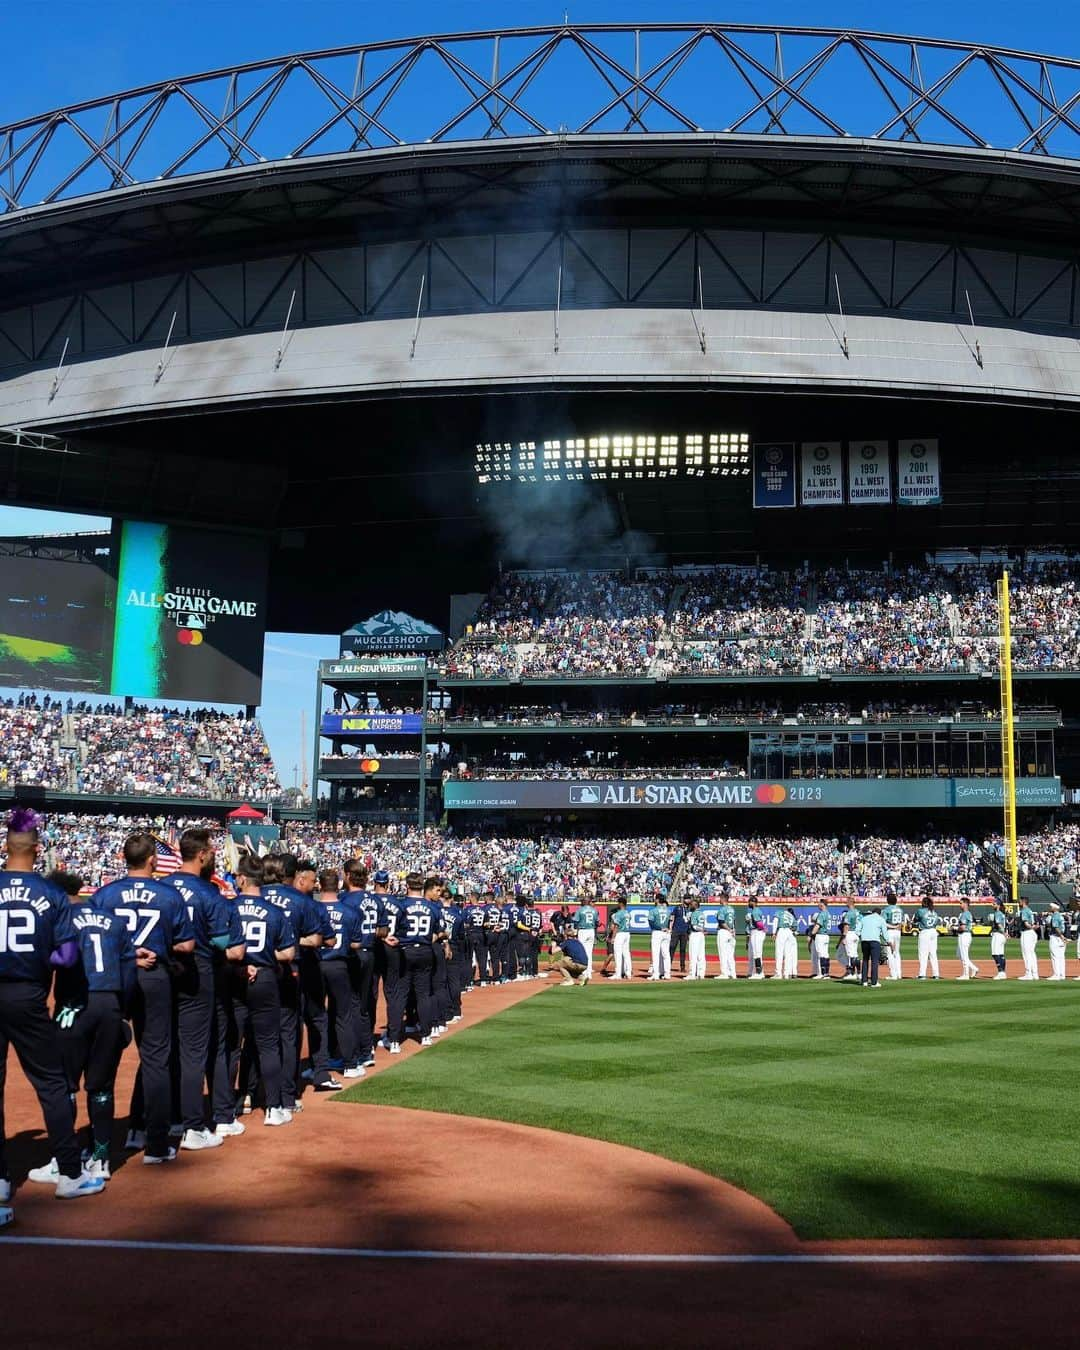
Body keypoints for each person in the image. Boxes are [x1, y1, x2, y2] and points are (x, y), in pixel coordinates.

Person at [0, 810, 105, 1227]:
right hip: (28, 995)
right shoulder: (52, 894)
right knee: (51, 1083)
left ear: (7, 847)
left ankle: (2, 1179)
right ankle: (69, 1173)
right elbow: (66, 956)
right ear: (38, 849)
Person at [95, 831, 195, 1163]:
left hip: (114, 977)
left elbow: (91, 936)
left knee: (103, 1060)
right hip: (155, 976)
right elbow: (187, 945)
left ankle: (103, 1146)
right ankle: (154, 1143)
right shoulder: (168, 895)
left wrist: (128, 954)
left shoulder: (105, 894)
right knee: (156, 1059)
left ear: (125, 857)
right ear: (153, 859)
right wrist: (159, 947)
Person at [32, 869, 135, 1182]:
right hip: (109, 1006)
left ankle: (64, 1159)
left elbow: (47, 964)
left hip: (72, 1007)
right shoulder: (115, 922)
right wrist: (123, 1013)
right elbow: (128, 973)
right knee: (101, 1084)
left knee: (64, 1084)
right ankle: (101, 1158)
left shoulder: (59, 922)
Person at [162, 827, 245, 1151]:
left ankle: (157, 1121)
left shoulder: (163, 888)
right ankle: (192, 1124)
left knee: (160, 1052)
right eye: (211, 850)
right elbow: (229, 947)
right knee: (195, 1052)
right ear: (200, 854)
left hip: (161, 975)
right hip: (198, 976)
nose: (214, 853)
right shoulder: (210, 894)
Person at [231, 853, 296, 1126]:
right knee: (269, 1044)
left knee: (231, 1047)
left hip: (234, 977)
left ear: (243, 878)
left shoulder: (228, 907)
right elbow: (289, 953)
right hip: (266, 977)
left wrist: (243, 964)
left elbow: (221, 948)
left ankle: (227, 1110)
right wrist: (266, 957)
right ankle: (274, 1107)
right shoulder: (274, 912)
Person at [262, 854, 330, 1110]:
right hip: (290, 970)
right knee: (289, 1034)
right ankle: (286, 1097)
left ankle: (246, 1095)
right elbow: (316, 940)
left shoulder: (255, 896)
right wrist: (291, 944)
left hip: (252, 970)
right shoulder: (302, 901)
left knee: (254, 1036)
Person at [317, 869, 365, 1079]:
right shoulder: (350, 911)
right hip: (339, 965)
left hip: (317, 964)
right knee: (344, 1015)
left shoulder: (313, 909)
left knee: (317, 1016)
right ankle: (350, 1063)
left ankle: (319, 1065)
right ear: (338, 885)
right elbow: (356, 943)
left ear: (319, 885)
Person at [386, 873, 439, 1050]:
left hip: (405, 950)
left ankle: (394, 1040)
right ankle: (425, 1035)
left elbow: (394, 929)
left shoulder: (401, 905)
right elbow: (435, 933)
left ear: (407, 886)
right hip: (424, 949)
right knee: (423, 994)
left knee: (400, 995)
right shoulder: (432, 907)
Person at [858, 906, 889, 988]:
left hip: (864, 941)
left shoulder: (864, 918)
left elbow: (857, 930)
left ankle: (864, 981)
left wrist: (862, 936)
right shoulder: (881, 919)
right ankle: (874, 982)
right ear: (879, 913)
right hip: (875, 941)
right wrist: (889, 942)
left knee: (865, 960)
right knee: (874, 961)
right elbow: (885, 933)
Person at [572, 899, 600, 983]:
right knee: (589, 952)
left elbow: (576, 921)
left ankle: (584, 972)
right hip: (591, 931)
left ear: (584, 902)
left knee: (582, 952)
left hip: (583, 931)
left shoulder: (580, 910)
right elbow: (597, 922)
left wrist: (576, 931)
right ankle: (589, 972)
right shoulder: (594, 910)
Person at [914, 895, 941, 980]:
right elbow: (937, 922)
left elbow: (915, 920)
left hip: (925, 931)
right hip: (933, 931)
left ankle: (922, 974)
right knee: (933, 954)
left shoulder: (921, 911)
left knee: (923, 954)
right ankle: (936, 974)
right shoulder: (934, 912)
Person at [646, 895, 672, 981]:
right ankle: (667, 974)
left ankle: (656, 974)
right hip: (666, 933)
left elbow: (651, 923)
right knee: (666, 954)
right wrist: (667, 928)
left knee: (655, 953)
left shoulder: (653, 910)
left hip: (657, 932)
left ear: (657, 900)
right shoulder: (668, 910)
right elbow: (670, 921)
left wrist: (660, 928)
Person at [882, 891, 905, 981]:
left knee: (890, 953)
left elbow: (883, 922)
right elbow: (902, 922)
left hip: (891, 931)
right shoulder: (900, 909)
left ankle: (893, 975)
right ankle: (899, 973)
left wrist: (893, 926)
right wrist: (897, 926)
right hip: (898, 932)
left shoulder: (887, 909)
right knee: (897, 953)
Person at [713, 895, 736, 979]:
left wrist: (729, 929)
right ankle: (733, 973)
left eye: (720, 898)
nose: (719, 900)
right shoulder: (732, 909)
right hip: (731, 932)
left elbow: (722, 922)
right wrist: (733, 930)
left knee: (723, 953)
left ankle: (724, 973)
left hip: (723, 932)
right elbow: (734, 921)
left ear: (723, 899)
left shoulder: (722, 909)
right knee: (730, 954)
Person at [955, 902, 980, 980]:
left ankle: (966, 974)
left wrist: (954, 928)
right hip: (965, 935)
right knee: (960, 955)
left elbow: (962, 927)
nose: (960, 905)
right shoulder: (966, 913)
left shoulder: (965, 914)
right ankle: (974, 968)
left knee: (964, 955)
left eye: (961, 903)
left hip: (964, 935)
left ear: (965, 904)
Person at [773, 904, 798, 980]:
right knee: (788, 954)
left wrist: (774, 933)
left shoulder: (779, 912)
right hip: (789, 933)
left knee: (779, 953)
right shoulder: (791, 915)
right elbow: (795, 926)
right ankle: (786, 974)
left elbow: (775, 921)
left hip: (782, 931)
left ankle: (778, 973)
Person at [610, 897, 632, 980]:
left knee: (618, 954)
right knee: (626, 953)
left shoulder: (619, 913)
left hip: (620, 934)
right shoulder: (628, 913)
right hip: (627, 933)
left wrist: (613, 937)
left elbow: (616, 926)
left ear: (621, 903)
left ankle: (618, 974)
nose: (617, 904)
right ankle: (628, 973)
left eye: (618, 903)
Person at [1017, 899, 1039, 981]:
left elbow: (1026, 924)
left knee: (1026, 954)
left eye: (1020, 901)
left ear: (1023, 902)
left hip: (1027, 933)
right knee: (1032, 954)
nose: (1019, 903)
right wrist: (1033, 927)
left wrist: (1032, 927)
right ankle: (1035, 974)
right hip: (1032, 933)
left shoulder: (1024, 911)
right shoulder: (1030, 910)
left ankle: (1028, 974)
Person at [810, 900, 832, 979]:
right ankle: (826, 973)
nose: (818, 905)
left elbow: (817, 925)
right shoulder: (828, 913)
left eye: (819, 904)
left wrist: (812, 934)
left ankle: (821, 973)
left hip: (821, 935)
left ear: (822, 904)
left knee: (820, 954)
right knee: (825, 954)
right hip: (826, 935)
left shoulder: (822, 914)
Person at [841, 902, 863, 982]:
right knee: (855, 954)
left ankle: (852, 973)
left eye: (847, 902)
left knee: (851, 955)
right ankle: (859, 973)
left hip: (850, 933)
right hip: (856, 934)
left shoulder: (849, 913)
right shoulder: (858, 912)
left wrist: (844, 937)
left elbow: (846, 926)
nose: (846, 903)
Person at [686, 900, 708, 980]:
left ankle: (692, 974)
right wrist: (703, 930)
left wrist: (701, 930)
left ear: (695, 905)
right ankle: (701, 974)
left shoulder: (694, 914)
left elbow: (694, 926)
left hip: (695, 934)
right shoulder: (702, 913)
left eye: (691, 905)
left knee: (693, 955)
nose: (690, 906)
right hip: (701, 936)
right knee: (701, 955)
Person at [989, 896, 1009, 979]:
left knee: (995, 954)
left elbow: (999, 925)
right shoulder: (1002, 914)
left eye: (994, 904)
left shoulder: (997, 913)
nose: (992, 905)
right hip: (1001, 936)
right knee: (1001, 954)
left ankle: (1000, 971)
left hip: (998, 934)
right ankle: (1003, 972)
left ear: (998, 905)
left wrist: (1004, 933)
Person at [745, 898, 766, 979]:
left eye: (749, 901)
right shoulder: (755, 911)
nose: (748, 903)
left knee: (757, 953)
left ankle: (759, 973)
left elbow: (759, 923)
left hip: (757, 932)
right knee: (756, 953)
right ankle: (760, 972)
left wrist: (764, 928)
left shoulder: (755, 911)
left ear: (753, 902)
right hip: (756, 932)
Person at [1047, 901, 1067, 981]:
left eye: (1051, 906)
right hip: (1062, 937)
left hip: (1056, 937)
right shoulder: (1060, 915)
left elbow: (1056, 927)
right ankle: (1062, 974)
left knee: (1055, 956)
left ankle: (1056, 974)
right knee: (1061, 957)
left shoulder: (1055, 915)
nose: (1050, 908)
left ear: (1054, 908)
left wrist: (1061, 936)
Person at [669, 901, 689, 975]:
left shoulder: (690, 908)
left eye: (689, 899)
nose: (688, 900)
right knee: (672, 947)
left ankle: (682, 967)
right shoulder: (678, 907)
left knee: (683, 949)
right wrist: (670, 928)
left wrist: (689, 932)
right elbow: (672, 917)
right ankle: (668, 965)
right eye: (687, 899)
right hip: (676, 930)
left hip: (685, 931)